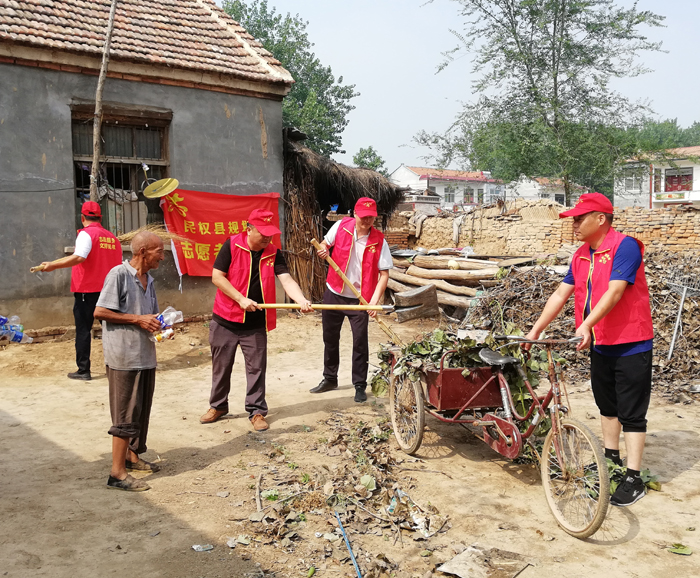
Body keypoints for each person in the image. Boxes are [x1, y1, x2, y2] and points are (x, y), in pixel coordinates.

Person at [524, 192, 654, 507]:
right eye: (574, 219)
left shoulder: (625, 247)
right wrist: (535, 330)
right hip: (602, 343)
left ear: (601, 218)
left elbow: (615, 292)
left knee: (632, 413)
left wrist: (585, 325)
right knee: (607, 405)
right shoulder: (582, 254)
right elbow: (560, 294)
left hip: (631, 342)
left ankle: (634, 477)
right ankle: (611, 460)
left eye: (580, 218)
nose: (575, 224)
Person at [199, 209, 312, 431]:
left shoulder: (273, 252)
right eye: (263, 233)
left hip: (255, 323)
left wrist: (300, 299)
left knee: (256, 368)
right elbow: (216, 277)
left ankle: (257, 411)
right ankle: (218, 406)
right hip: (225, 319)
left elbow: (286, 279)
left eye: (271, 233)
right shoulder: (231, 245)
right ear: (249, 230)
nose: (268, 238)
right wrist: (240, 299)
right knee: (221, 367)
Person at [94, 231, 165, 492]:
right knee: (125, 413)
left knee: (140, 410)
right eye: (159, 251)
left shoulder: (149, 280)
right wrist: (138, 319)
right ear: (143, 251)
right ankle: (117, 473)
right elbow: (100, 311)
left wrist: (160, 325)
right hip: (124, 356)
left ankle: (131, 456)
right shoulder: (118, 275)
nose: (163, 256)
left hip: (145, 354)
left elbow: (150, 315)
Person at [310, 197, 391, 403]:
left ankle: (360, 384)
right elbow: (324, 244)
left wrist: (373, 301)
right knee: (329, 338)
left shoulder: (379, 240)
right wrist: (322, 249)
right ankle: (330, 378)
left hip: (360, 299)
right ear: (354, 214)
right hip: (334, 292)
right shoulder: (341, 226)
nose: (366, 221)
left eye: (371, 217)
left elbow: (384, 275)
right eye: (363, 217)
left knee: (360, 342)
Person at [39, 201, 122, 380]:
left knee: (84, 330)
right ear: (101, 218)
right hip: (109, 291)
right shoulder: (113, 238)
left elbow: (79, 257)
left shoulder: (86, 234)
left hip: (87, 291)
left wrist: (52, 265)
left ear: (82, 217)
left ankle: (84, 370)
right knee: (111, 330)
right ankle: (118, 367)